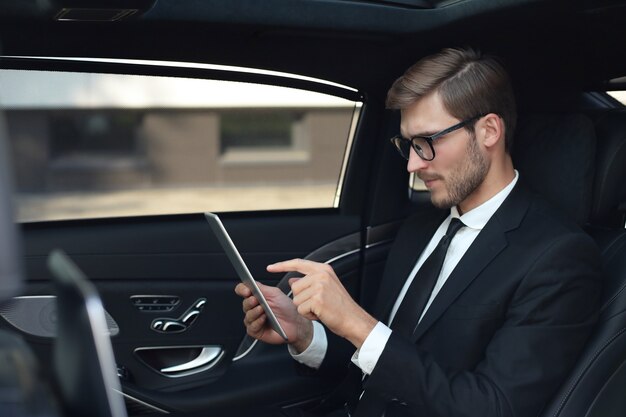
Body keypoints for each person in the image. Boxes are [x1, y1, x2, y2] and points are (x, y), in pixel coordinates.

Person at [235, 47, 602, 417]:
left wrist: (358, 324)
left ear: (489, 130)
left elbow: (494, 407)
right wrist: (305, 334)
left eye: (428, 142)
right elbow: (385, 361)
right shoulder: (422, 227)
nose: (413, 163)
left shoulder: (558, 258)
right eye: (408, 145)